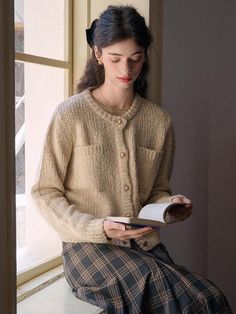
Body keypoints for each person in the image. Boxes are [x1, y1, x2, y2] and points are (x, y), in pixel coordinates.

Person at [31, 5, 232, 314]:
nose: (126, 69)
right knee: (198, 303)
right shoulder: (71, 115)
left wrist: (169, 206)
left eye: (135, 59)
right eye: (115, 58)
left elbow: (156, 190)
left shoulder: (158, 121)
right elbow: (45, 192)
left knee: (210, 297)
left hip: (145, 247)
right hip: (89, 249)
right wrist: (98, 226)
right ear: (97, 53)